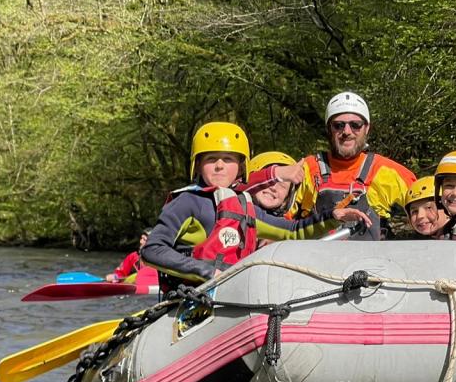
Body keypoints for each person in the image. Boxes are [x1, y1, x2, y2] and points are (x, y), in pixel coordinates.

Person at [142, 123, 369, 288]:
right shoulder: (187, 202)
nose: (220, 166)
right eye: (211, 159)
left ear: (241, 168)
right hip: (191, 297)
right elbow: (152, 250)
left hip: (233, 297)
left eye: (228, 159)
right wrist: (205, 271)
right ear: (198, 164)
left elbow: (292, 231)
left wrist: (334, 215)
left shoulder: (244, 206)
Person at [279, 92, 416, 240]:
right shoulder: (306, 169)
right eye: (338, 125)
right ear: (328, 129)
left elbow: (430, 214)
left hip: (371, 261)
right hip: (313, 260)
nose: (347, 132)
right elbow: (279, 223)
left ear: (367, 128)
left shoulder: (389, 171)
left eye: (355, 125)